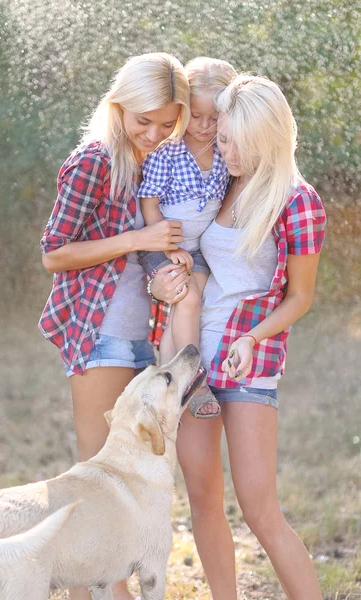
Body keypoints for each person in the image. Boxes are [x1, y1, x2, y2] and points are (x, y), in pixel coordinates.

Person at [151, 74, 327, 599]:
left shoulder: (298, 201)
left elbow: (300, 296)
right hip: (192, 363)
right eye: (220, 137)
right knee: (203, 501)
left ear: (259, 138)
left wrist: (252, 337)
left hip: (249, 362)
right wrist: (163, 287)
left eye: (228, 140)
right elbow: (194, 264)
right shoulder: (222, 182)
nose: (217, 146)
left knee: (259, 510)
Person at [38, 52, 191, 600]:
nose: (154, 132)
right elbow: (55, 254)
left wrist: (168, 269)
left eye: (166, 123)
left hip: (140, 338)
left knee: (123, 481)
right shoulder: (93, 161)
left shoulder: (151, 164)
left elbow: (145, 258)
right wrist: (139, 241)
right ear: (118, 107)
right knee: (96, 478)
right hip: (98, 333)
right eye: (143, 120)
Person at [138, 57, 237, 418]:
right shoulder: (168, 150)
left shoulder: (225, 151)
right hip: (162, 243)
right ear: (183, 109)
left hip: (197, 248)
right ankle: (193, 381)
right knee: (188, 298)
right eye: (197, 116)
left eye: (215, 119)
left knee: (184, 309)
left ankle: (161, 389)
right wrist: (168, 246)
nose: (205, 126)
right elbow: (148, 202)